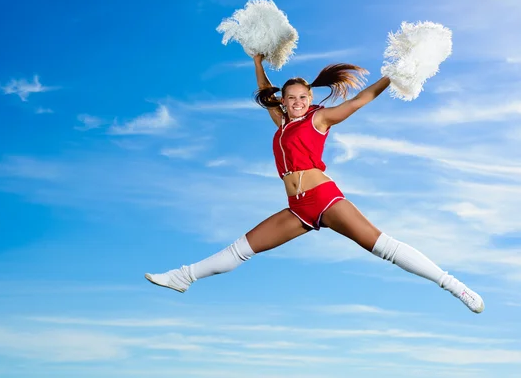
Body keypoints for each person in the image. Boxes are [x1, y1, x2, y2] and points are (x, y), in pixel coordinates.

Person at [145, 53, 484, 314]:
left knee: (383, 247)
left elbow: (358, 101)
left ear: (309, 99)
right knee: (241, 249)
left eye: (301, 98)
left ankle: (454, 286)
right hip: (298, 209)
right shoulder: (280, 124)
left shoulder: (319, 119)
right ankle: (183, 277)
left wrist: (394, 75)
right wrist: (257, 61)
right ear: (285, 100)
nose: (296, 102)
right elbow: (265, 92)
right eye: (290, 98)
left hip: (323, 197)